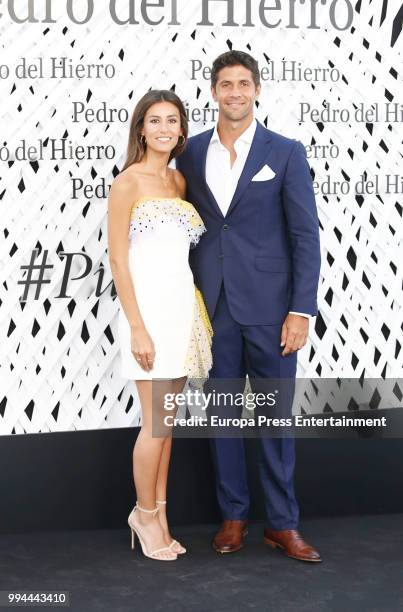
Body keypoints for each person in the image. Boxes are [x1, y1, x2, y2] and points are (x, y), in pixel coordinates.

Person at [177, 51, 322, 562]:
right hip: (214, 308)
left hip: (273, 310)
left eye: (243, 83)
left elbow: (306, 234)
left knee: (276, 419)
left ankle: (282, 524)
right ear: (213, 92)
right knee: (222, 418)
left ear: (257, 89)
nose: (234, 92)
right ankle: (234, 516)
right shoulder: (190, 153)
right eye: (225, 84)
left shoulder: (285, 152)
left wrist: (301, 311)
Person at [108, 90, 212, 561]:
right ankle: (143, 516)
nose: (164, 128)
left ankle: (161, 512)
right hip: (147, 314)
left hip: (181, 311)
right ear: (141, 129)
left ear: (181, 130)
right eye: (155, 120)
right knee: (153, 424)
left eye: (173, 120)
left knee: (166, 426)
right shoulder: (127, 183)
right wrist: (137, 327)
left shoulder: (178, 182)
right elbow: (118, 259)